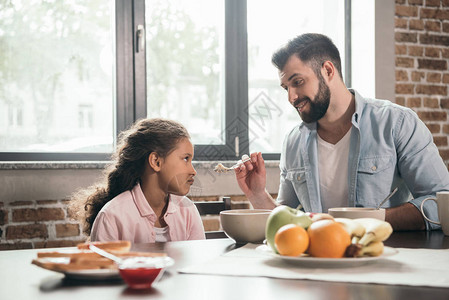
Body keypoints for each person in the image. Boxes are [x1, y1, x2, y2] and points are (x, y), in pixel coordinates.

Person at [234, 33, 449, 231]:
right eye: (286, 88)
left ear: (328, 70)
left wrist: (371, 221)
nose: (291, 97)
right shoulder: (293, 142)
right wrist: (258, 195)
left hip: (385, 262)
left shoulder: (397, 123)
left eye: (297, 82)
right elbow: (288, 222)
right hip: (318, 266)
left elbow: (442, 203)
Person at [71, 118, 205, 242]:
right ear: (156, 161)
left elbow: (198, 263)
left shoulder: (188, 211)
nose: (193, 171)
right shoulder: (111, 216)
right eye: (186, 159)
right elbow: (105, 267)